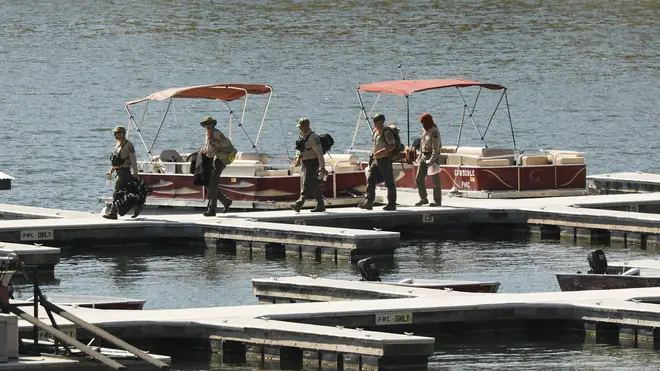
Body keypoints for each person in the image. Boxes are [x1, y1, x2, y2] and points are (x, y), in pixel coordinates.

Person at [359, 113, 397, 211]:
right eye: (373, 121)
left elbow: (392, 145)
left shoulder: (386, 132)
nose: (374, 123)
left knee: (389, 182)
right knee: (371, 178)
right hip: (375, 160)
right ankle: (369, 202)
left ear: (381, 122)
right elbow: (374, 146)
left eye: (376, 121)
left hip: (385, 159)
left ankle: (391, 204)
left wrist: (383, 151)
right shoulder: (375, 132)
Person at [290, 117, 327, 213]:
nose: (300, 129)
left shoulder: (313, 137)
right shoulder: (302, 136)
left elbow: (319, 154)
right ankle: (320, 204)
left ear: (307, 126)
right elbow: (300, 150)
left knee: (306, 184)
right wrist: (297, 159)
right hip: (304, 163)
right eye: (299, 127)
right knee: (313, 184)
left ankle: (298, 204)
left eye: (301, 127)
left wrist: (322, 167)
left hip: (312, 163)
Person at [103, 125, 140, 219]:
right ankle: (137, 207)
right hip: (118, 171)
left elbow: (133, 160)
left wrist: (135, 173)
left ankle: (113, 213)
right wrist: (111, 171)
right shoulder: (117, 144)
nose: (116, 135)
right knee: (129, 192)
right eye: (115, 133)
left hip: (124, 172)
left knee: (117, 192)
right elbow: (116, 161)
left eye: (118, 133)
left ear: (124, 134)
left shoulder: (129, 145)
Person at [199, 116, 234, 216]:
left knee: (212, 185)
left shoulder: (214, 134)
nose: (207, 125)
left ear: (213, 124)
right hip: (218, 160)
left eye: (209, 123)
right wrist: (204, 150)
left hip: (219, 160)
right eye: (206, 124)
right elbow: (210, 148)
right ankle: (225, 201)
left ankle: (212, 210)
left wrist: (204, 152)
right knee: (210, 184)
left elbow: (210, 151)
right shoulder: (210, 133)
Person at [415, 113, 442, 206]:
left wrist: (432, 159)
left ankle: (437, 200)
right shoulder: (424, 130)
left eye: (423, 123)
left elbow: (436, 147)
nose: (422, 125)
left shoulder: (434, 131)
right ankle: (423, 198)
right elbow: (422, 143)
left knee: (435, 180)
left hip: (432, 156)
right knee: (419, 178)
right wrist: (419, 156)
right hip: (423, 156)